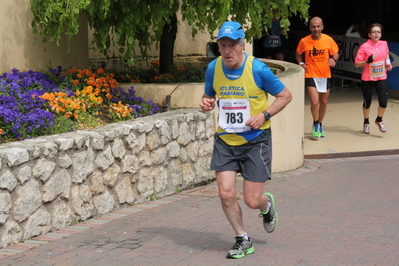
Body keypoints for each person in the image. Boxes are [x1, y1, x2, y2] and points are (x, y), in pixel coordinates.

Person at [199, 21, 292, 259]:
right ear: (218, 46)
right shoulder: (213, 68)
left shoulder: (258, 69)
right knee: (225, 193)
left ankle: (265, 205)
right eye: (222, 45)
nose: (227, 50)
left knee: (251, 200)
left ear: (242, 46)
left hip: (255, 140)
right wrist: (206, 104)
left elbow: (285, 95)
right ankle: (242, 238)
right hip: (225, 140)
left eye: (232, 45)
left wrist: (264, 115)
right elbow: (208, 97)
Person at [295, 16, 339, 138]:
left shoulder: (328, 40)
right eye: (313, 27)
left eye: (318, 26)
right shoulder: (304, 41)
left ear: (322, 27)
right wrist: (301, 63)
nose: (316, 29)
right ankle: (315, 122)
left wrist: (334, 60)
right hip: (311, 74)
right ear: (310, 28)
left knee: (323, 102)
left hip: (325, 74)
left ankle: (320, 123)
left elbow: (336, 53)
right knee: (315, 102)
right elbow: (298, 53)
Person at [354, 23, 392, 134]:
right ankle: (366, 122)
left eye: (379, 32)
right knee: (367, 102)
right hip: (368, 79)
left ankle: (379, 119)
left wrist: (388, 63)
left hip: (381, 77)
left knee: (384, 102)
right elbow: (356, 64)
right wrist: (367, 61)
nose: (377, 34)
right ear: (369, 34)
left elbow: (386, 54)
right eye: (374, 32)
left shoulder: (384, 43)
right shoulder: (364, 47)